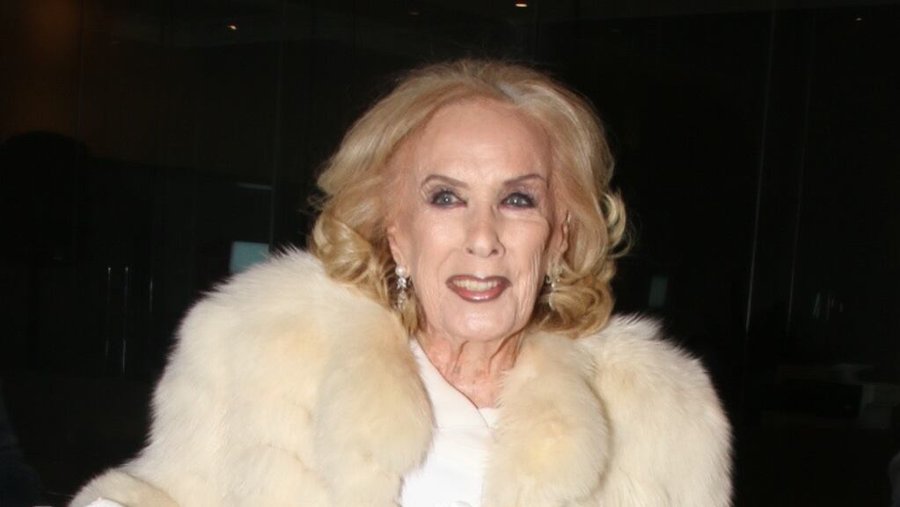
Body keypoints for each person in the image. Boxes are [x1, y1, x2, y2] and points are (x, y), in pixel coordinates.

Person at [71, 59, 732, 507]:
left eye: (518, 200)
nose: (482, 237)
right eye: (445, 197)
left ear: (561, 234)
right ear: (395, 231)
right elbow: (162, 494)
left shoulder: (658, 410)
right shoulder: (264, 347)